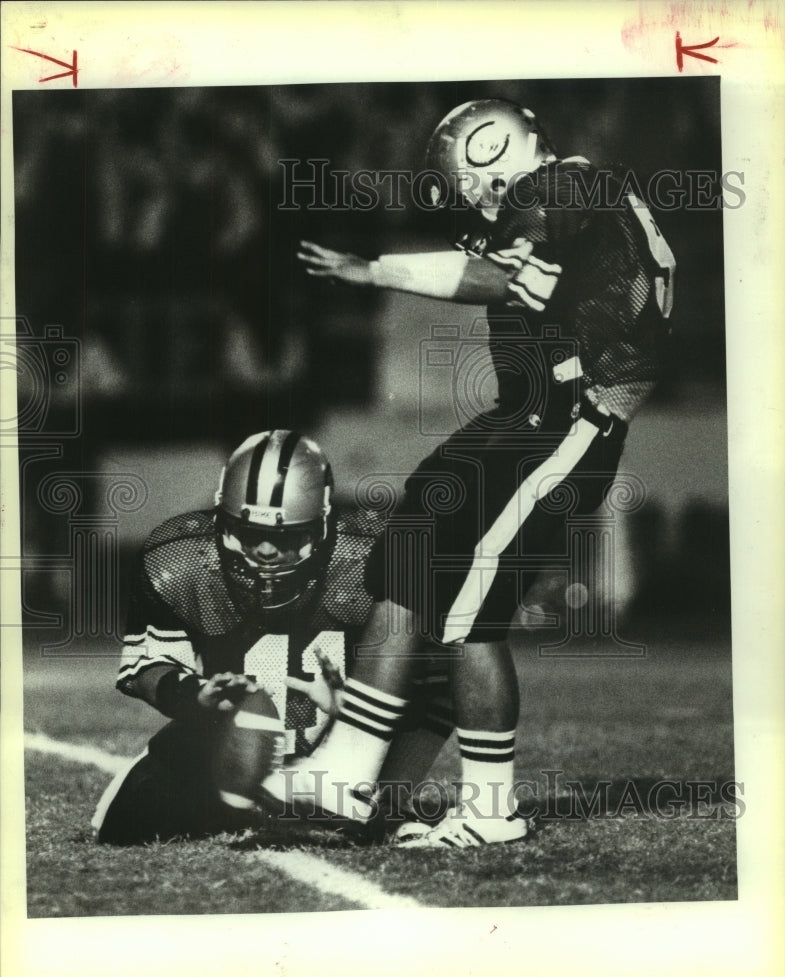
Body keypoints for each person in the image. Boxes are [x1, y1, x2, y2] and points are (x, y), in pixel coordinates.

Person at [271, 98, 676, 848]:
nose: (464, 191)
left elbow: (492, 279)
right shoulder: (566, 193)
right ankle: (349, 773)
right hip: (522, 415)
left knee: (467, 614)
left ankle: (492, 813)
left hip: (568, 418)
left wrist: (370, 269)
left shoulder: (561, 187)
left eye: (460, 174)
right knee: (408, 554)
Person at [92, 429, 453, 845]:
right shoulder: (179, 558)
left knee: (448, 661)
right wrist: (195, 692)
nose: (264, 551)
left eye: (284, 537)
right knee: (121, 824)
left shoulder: (373, 558)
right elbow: (145, 667)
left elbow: (442, 678)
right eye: (247, 532)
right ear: (220, 519)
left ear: (320, 527)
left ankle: (389, 802)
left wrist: (362, 709)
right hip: (228, 751)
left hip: (343, 760)